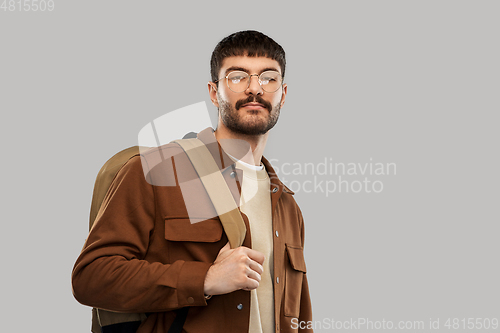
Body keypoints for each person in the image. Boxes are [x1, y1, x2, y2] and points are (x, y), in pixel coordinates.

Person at [72, 30, 313, 333]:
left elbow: (298, 319)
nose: (255, 89)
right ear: (214, 92)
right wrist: (206, 279)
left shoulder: (288, 206)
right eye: (237, 77)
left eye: (268, 78)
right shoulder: (156, 173)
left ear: (283, 93)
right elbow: (91, 277)